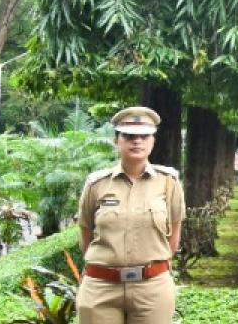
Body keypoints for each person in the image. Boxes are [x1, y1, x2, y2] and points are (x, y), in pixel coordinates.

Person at [77, 107, 184, 324]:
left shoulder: (168, 182)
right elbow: (86, 235)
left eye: (144, 136)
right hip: (101, 287)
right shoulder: (96, 184)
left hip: (152, 289)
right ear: (117, 141)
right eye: (129, 136)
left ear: (152, 141)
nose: (137, 141)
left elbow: (173, 240)